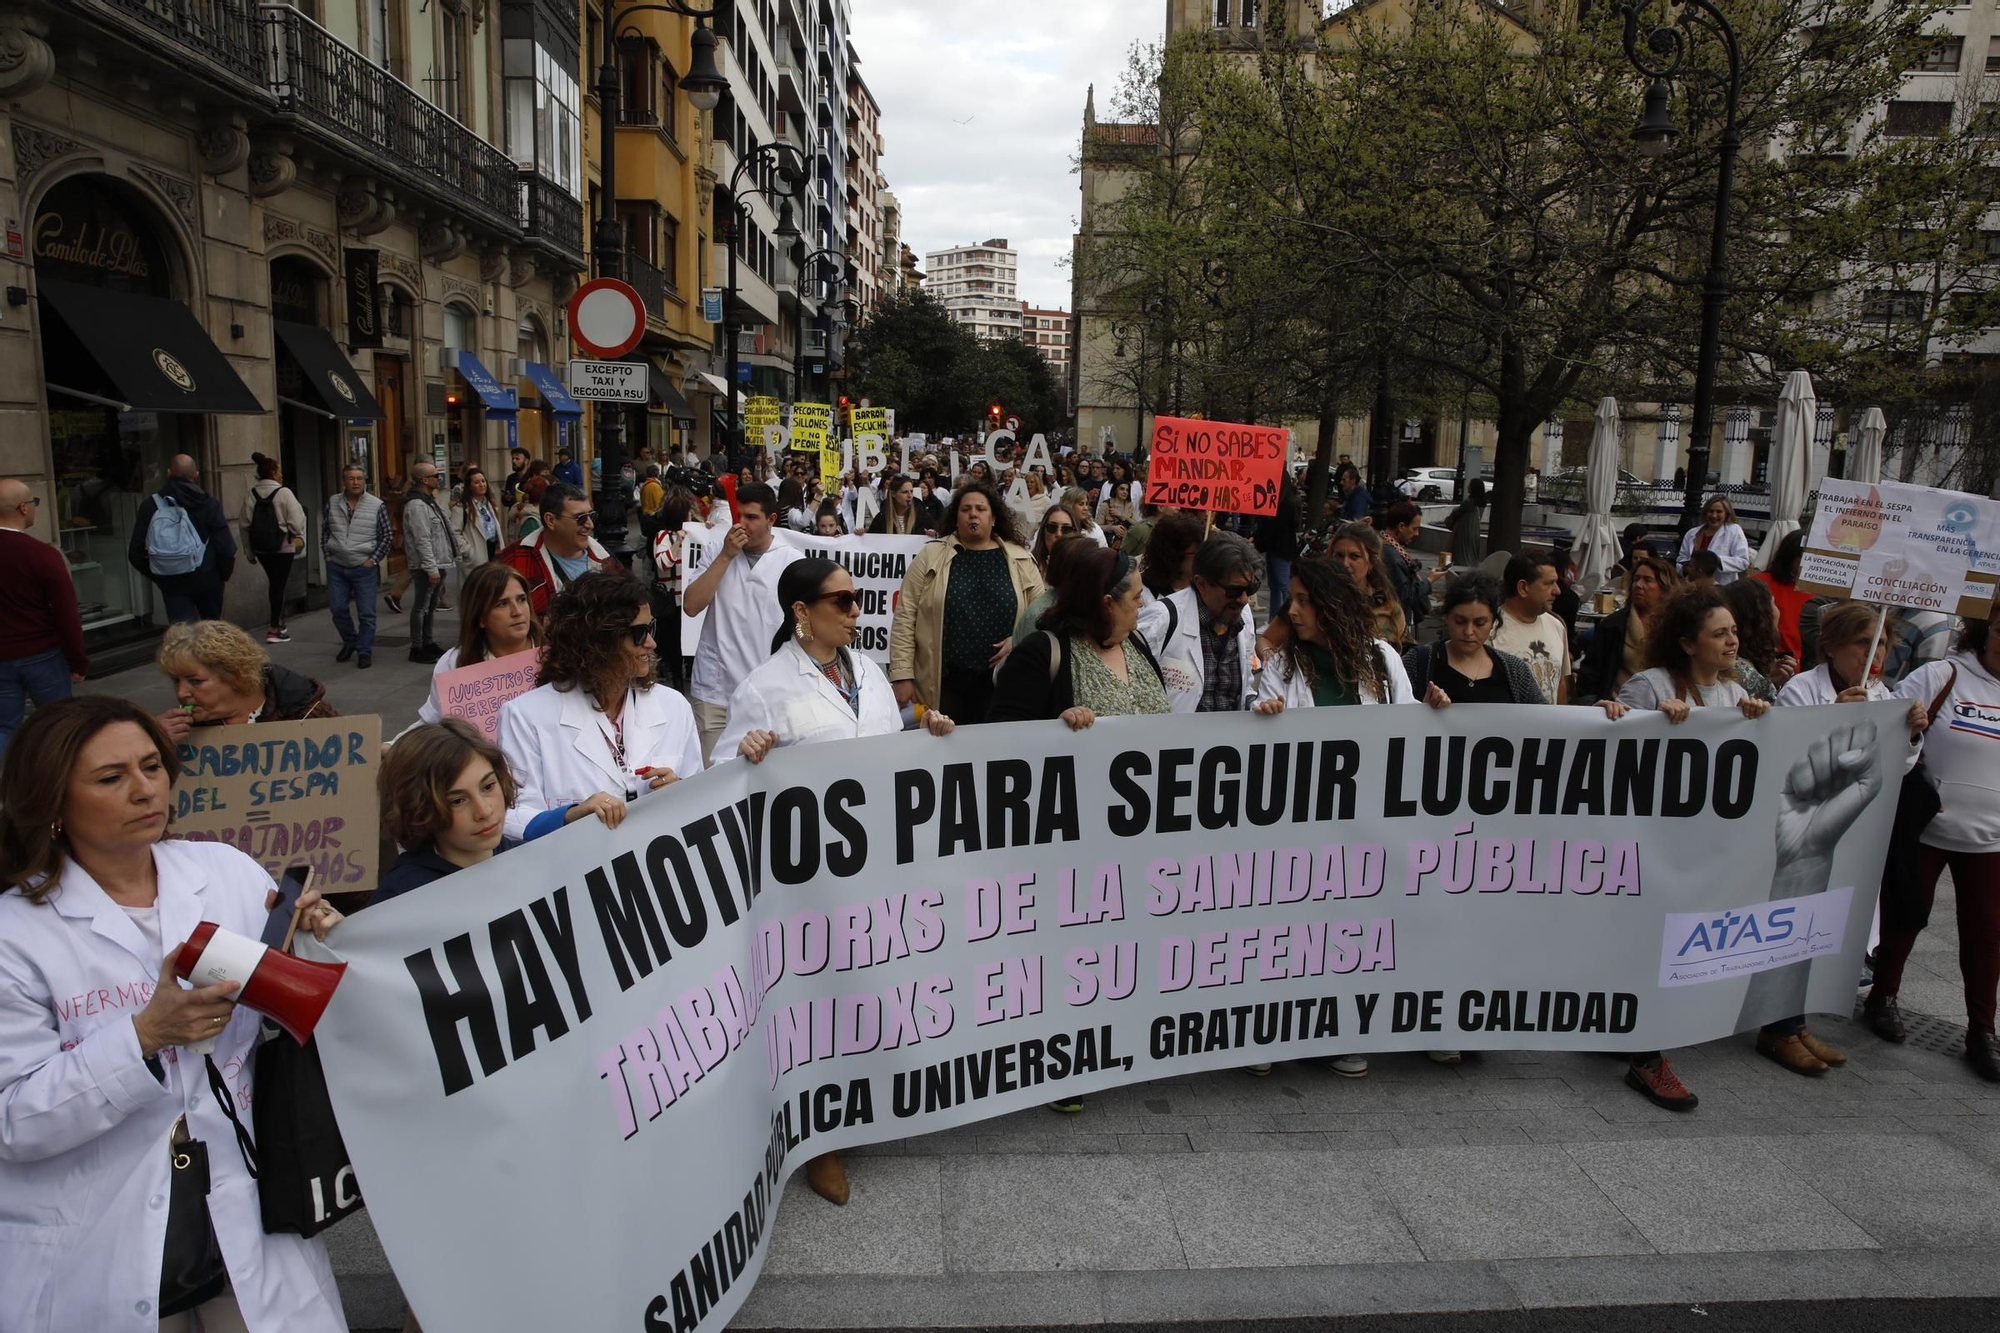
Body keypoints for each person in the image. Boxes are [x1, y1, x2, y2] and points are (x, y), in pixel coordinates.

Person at [0, 695, 348, 1333]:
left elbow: (297, 1014)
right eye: (111, 778)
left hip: (245, 1202)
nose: (143, 790)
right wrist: (143, 1036)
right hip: (98, 1229)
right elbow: (13, 1119)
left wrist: (311, 943)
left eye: (151, 767)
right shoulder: (14, 935)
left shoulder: (225, 872)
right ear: (51, 803)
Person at [716, 555, 963, 1186]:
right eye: (843, 602)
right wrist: (744, 757)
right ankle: (818, 1138)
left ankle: (868, 1103)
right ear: (802, 613)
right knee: (817, 998)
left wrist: (924, 723)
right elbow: (715, 785)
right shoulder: (765, 688)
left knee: (872, 986)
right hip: (809, 879)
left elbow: (883, 739)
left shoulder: (870, 674)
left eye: (857, 600)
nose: (858, 612)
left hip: (879, 862)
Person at [1755, 600, 1931, 1074]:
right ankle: (1777, 1027)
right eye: (1861, 642)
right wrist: (1832, 717)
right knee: (1795, 921)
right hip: (1801, 833)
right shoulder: (1801, 689)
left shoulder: (1883, 694)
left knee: (1826, 927)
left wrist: (1910, 735)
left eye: (1883, 645)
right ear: (1829, 645)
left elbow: (1900, 767)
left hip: (1853, 831)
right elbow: (1790, 753)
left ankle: (1797, 1020)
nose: (1874, 654)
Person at [1615, 584, 1770, 1111]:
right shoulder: (1651, 686)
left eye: (1733, 631)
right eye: (1719, 633)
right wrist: (1651, 725)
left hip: (1705, 852)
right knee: (1650, 945)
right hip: (1652, 851)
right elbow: (1609, 744)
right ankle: (1646, 1056)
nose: (1733, 641)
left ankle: (1630, 1029)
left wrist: (1757, 724)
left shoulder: (1733, 695)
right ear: (1687, 643)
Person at [1875, 617, 2000, 1079]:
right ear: (1987, 630)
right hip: (1928, 827)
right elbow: (1888, 728)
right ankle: (1883, 996)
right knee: (1906, 914)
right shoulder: (1942, 675)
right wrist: (1909, 729)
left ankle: (1981, 1032)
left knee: (1987, 936)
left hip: (1991, 840)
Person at [496, 571, 700, 841]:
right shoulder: (524, 716)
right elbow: (510, 816)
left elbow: (700, 797)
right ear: (597, 641)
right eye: (639, 633)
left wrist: (681, 792)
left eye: (651, 629)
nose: (651, 643)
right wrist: (569, 816)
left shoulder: (674, 706)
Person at [373, 720, 576, 904]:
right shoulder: (400, 897)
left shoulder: (535, 861)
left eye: (488, 786)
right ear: (419, 810)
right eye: (458, 800)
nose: (484, 810)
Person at [890, 480, 1044, 723]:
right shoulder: (930, 556)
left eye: (981, 509)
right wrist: (902, 675)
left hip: (1002, 685)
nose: (973, 514)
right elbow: (906, 617)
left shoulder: (1021, 560)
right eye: (966, 509)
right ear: (955, 517)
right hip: (943, 685)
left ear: (993, 518)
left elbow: (1042, 618)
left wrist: (1019, 639)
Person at [680, 484, 803, 762]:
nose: (742, 524)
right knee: (713, 780)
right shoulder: (716, 550)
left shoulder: (792, 561)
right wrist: (726, 556)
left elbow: (804, 626)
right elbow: (691, 606)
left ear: (771, 520)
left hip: (768, 694)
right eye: (739, 516)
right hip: (715, 693)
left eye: (752, 517)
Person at [0, 479, 86, 764]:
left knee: (4, 727)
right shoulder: (43, 555)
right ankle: (60, 780)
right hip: (42, 655)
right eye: (34, 502)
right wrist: (77, 660)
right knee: (60, 724)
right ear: (23, 508)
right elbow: (66, 613)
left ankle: (10, 786)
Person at [1135, 531, 1260, 715]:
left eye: (1250, 588)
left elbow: (1244, 689)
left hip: (1229, 743)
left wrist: (1257, 706)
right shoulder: (1161, 619)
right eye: (1233, 590)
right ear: (1201, 583)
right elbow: (1132, 691)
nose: (1243, 599)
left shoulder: (1244, 616)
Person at [153, 620, 337, 743]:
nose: (180, 693)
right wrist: (151, 740)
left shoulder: (311, 716)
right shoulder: (178, 732)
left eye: (195, 681)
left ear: (236, 677)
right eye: (176, 681)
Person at [412, 562, 544, 729]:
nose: (517, 611)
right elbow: (433, 723)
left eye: (522, 599)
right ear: (480, 617)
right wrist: (394, 747)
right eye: (502, 604)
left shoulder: (556, 654)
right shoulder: (454, 662)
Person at [1403, 575, 1548, 707]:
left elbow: (1542, 718)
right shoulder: (1418, 662)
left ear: (1493, 623)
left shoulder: (1515, 671)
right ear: (1446, 617)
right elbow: (1391, 715)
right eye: (1460, 621)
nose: (1468, 631)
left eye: (1479, 623)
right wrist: (1421, 710)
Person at [128, 453, 235, 623]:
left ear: (169, 473)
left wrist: (160, 575)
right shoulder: (208, 504)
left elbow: (135, 552)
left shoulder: (150, 506)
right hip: (208, 580)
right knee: (213, 634)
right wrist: (220, 575)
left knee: (182, 638)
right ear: (195, 475)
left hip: (172, 583)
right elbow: (226, 548)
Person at [495, 481, 622, 614]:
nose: (590, 524)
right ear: (550, 520)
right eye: (580, 518)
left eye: (591, 515)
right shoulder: (512, 563)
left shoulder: (606, 560)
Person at [1574, 554, 1677, 702]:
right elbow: (1591, 672)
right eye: (1636, 579)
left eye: (1647, 580)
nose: (1639, 585)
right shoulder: (1613, 624)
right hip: (1618, 706)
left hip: (1665, 706)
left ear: (1664, 587)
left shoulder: (1675, 626)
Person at [322, 464, 390, 669]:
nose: (356, 482)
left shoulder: (377, 505)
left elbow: (386, 536)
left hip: (363, 566)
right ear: (344, 481)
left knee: (367, 612)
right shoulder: (333, 502)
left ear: (364, 481)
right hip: (337, 565)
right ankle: (350, 640)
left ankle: (364, 650)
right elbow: (325, 530)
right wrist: (327, 555)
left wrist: (373, 560)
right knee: (337, 608)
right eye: (351, 479)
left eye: (359, 478)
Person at [241, 452, 307, 644]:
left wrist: (249, 550)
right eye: (279, 471)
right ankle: (274, 628)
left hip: (261, 548)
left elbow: (244, 524)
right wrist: (298, 536)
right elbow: (296, 521)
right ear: (273, 472)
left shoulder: (251, 493)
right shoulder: (284, 493)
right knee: (278, 585)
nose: (281, 474)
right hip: (282, 547)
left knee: (275, 583)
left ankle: (280, 624)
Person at [1489, 551, 1571, 704]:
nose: (1557, 591)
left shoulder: (1557, 626)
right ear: (1523, 588)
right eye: (1549, 583)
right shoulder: (1490, 630)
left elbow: (1561, 683)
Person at [400, 461, 453, 663]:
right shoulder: (416, 505)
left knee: (431, 606)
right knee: (421, 607)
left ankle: (428, 642)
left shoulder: (431, 500)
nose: (438, 478)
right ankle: (417, 646)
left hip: (439, 561)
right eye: (435, 475)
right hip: (425, 565)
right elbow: (422, 539)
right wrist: (431, 568)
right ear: (424, 480)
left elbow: (444, 529)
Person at [1328, 521, 1408, 647]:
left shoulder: (1388, 610)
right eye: (1339, 556)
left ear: (1371, 562)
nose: (1344, 564)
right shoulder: (1317, 600)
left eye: (1354, 557)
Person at [1722, 577, 1797, 702]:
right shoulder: (1739, 668)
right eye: (1773, 603)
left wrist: (1775, 682)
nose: (1778, 611)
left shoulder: (1750, 660)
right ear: (1762, 614)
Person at [1751, 530, 1813, 662]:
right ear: (1789, 556)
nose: (1809, 561)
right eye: (1804, 556)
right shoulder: (1759, 583)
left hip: (1805, 662)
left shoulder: (1819, 591)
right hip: (1770, 660)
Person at [1378, 498, 1430, 635]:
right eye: (1415, 529)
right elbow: (1405, 594)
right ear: (1401, 527)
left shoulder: (1384, 546)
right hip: (1393, 622)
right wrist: (1429, 582)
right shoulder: (1391, 555)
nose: (1417, 534)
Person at [1675, 494, 1751, 585]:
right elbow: (1680, 561)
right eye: (1711, 511)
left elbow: (1743, 562)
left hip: (1722, 588)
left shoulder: (1734, 531)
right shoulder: (1692, 533)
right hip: (1693, 588)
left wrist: (1717, 560)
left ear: (1726, 513)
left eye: (1719, 512)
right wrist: (1686, 568)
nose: (1714, 516)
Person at [1255, 479, 1301, 618]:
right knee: (1275, 586)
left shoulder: (1285, 505)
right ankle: (1273, 619)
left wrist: (1258, 542)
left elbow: (1275, 528)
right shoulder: (1279, 503)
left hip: (1281, 550)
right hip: (1275, 549)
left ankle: (1287, 619)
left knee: (1283, 586)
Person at [1138, 510, 1205, 606]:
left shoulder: (1204, 591)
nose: (1201, 557)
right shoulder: (1144, 594)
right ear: (1174, 556)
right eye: (1195, 553)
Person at [451, 465, 503, 568]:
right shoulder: (461, 508)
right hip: (476, 557)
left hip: (494, 552)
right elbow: (454, 533)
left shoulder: (489, 504)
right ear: (469, 486)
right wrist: (469, 552)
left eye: (483, 481)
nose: (481, 485)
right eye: (476, 482)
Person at [1444, 478, 1486, 567]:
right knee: (1471, 555)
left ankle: (1459, 571)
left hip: (1464, 532)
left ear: (1473, 488)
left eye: (1470, 485)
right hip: (1475, 532)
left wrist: (1448, 518)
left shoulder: (1468, 502)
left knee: (1461, 554)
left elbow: (1457, 513)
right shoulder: (1482, 503)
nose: (1468, 486)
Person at [1032, 504, 1079, 573]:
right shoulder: (1027, 566)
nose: (1059, 534)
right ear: (1043, 531)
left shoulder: (1086, 569)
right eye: (1052, 527)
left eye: (1066, 529)